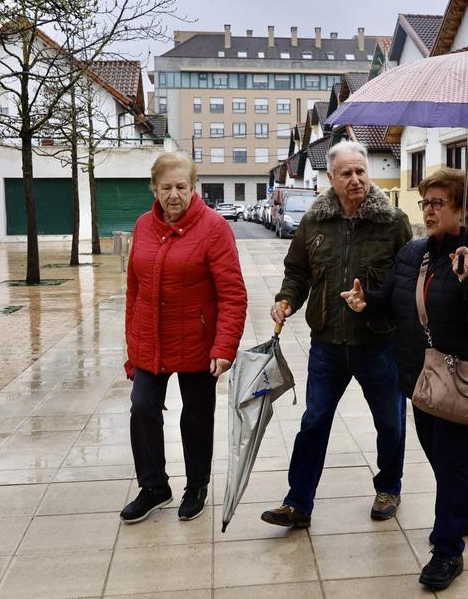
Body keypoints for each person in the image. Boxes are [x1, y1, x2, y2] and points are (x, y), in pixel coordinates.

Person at [341, 168, 468, 590]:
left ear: (464, 209)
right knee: (441, 459)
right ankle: (465, 512)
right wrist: (366, 302)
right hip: (422, 379)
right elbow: (395, 300)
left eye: (438, 203)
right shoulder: (414, 254)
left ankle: (447, 551)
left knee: (457, 463)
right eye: (425, 203)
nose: (428, 210)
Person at [260, 141, 412, 529]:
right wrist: (286, 300)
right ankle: (298, 503)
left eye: (361, 171)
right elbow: (297, 273)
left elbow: (407, 282)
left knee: (390, 423)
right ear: (331, 178)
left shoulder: (392, 222)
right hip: (327, 343)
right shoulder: (315, 222)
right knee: (314, 422)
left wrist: (374, 302)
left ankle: (389, 487)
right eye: (347, 173)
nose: (356, 179)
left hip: (378, 343)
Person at [120, 152, 247, 524]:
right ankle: (154, 487)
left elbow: (232, 293)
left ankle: (197, 486)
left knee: (195, 417)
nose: (174, 195)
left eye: (181, 187)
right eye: (166, 187)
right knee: (142, 409)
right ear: (154, 189)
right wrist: (132, 343)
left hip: (198, 341)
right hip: (150, 339)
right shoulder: (143, 225)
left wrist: (224, 346)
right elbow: (133, 289)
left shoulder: (214, 228)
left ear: (193, 188)